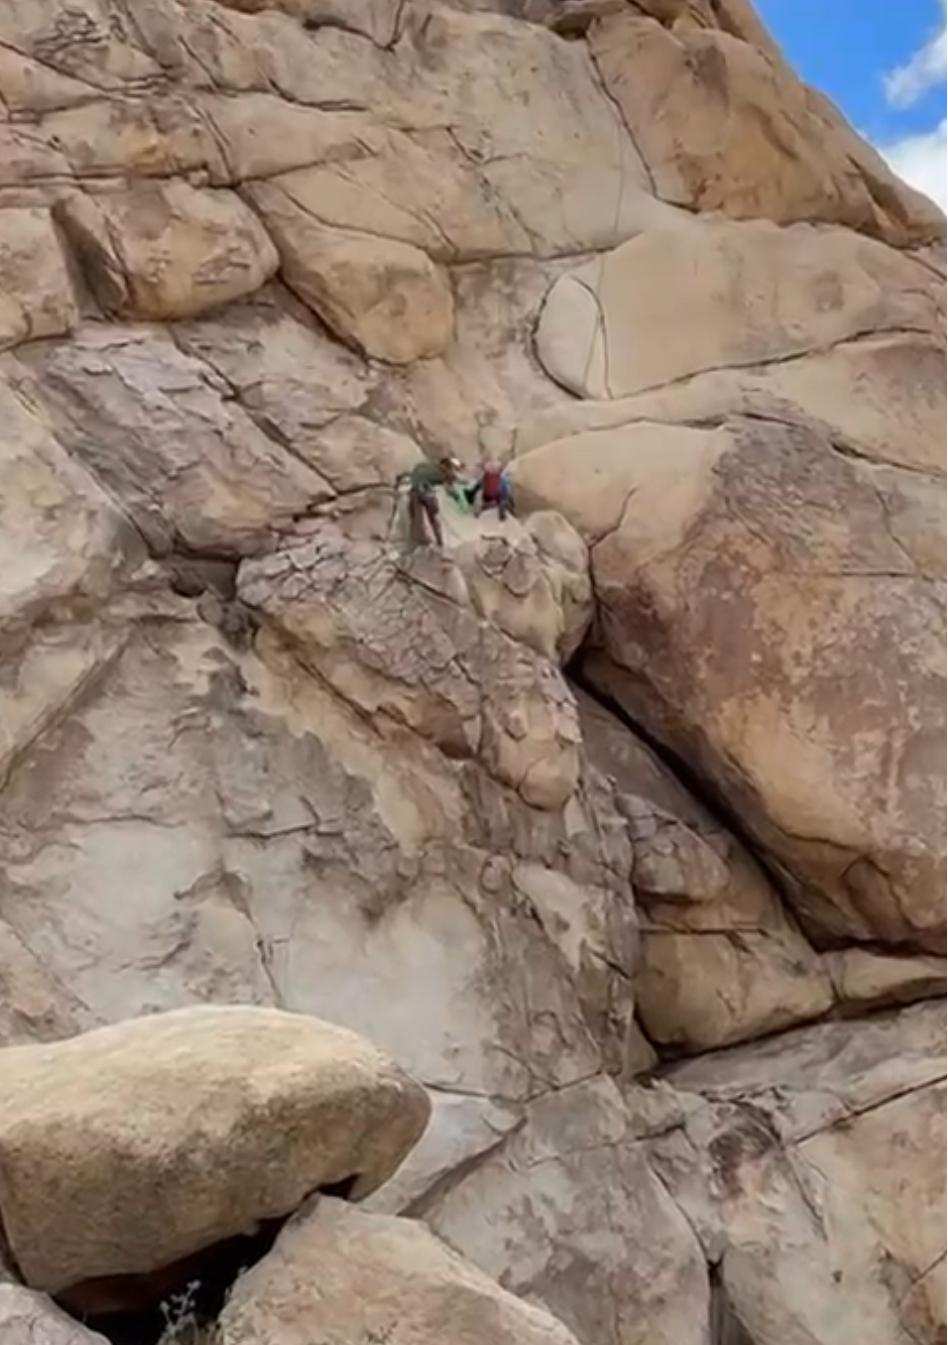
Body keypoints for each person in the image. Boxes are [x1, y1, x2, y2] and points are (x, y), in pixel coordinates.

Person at [408, 456, 460, 548]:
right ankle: (436, 541)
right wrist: (455, 495)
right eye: (452, 468)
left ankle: (420, 540)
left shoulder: (427, 467)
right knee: (430, 518)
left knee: (418, 517)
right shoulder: (441, 473)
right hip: (422, 492)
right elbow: (449, 486)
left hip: (417, 491)